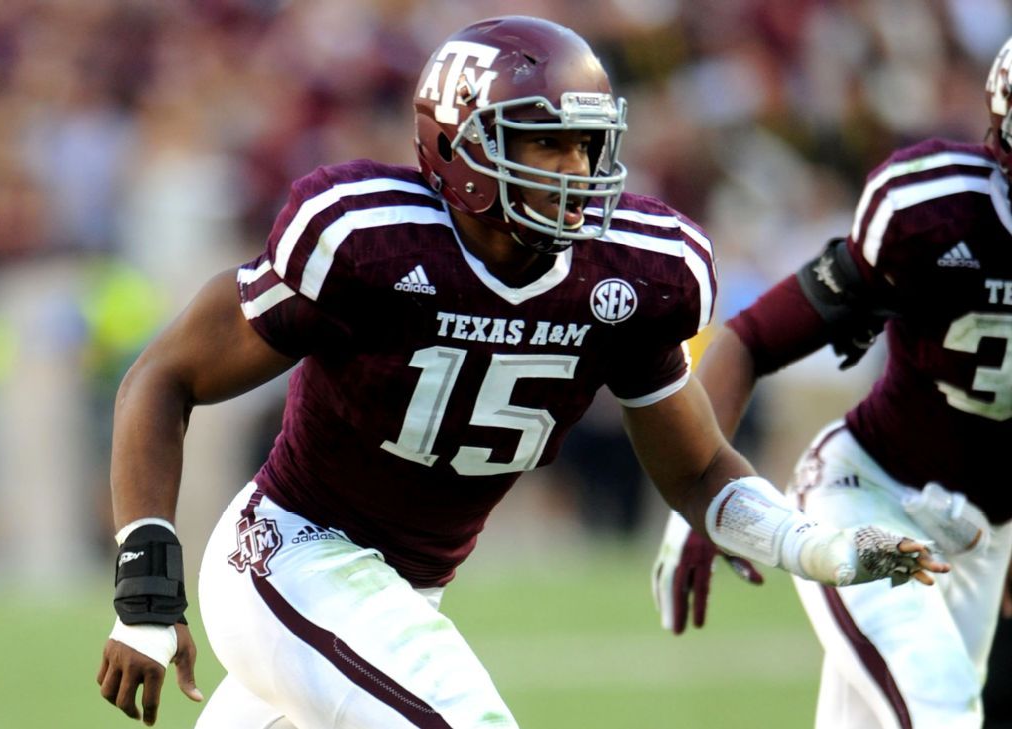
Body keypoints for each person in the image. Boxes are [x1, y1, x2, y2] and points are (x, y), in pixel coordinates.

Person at [97, 16, 945, 728]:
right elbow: (163, 376)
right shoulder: (367, 238)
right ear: (456, 147)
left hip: (402, 593)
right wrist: (144, 587)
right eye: (544, 146)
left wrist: (821, 546)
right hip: (288, 556)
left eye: (586, 146)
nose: (574, 173)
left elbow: (695, 466)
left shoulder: (636, 272)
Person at [652, 35, 1012, 729]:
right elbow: (751, 338)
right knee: (940, 705)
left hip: (983, 537)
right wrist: (697, 499)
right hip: (873, 497)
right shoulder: (932, 213)